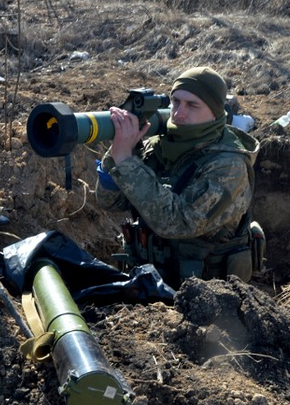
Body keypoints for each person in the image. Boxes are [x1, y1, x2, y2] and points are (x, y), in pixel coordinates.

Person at [95, 66, 261, 288]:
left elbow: (178, 222)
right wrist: (118, 155)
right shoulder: (159, 147)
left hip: (209, 298)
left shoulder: (228, 165)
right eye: (176, 102)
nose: (179, 114)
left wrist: (126, 162)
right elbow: (110, 202)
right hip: (150, 285)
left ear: (215, 111)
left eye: (192, 105)